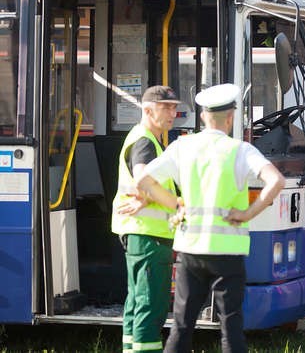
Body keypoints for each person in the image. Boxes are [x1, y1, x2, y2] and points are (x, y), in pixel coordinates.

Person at [134, 83, 285, 353]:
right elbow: (276, 181)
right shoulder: (240, 150)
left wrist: (173, 205)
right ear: (230, 118)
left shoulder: (182, 147)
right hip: (228, 253)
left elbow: (143, 178)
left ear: (203, 117)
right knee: (231, 325)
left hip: (190, 250)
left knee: (181, 324)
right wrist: (248, 213)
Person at [112, 85, 181, 353]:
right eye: (167, 107)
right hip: (147, 234)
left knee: (138, 301)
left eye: (175, 107)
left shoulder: (148, 139)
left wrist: (147, 196)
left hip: (142, 233)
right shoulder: (144, 140)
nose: (173, 114)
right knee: (150, 303)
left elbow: (143, 184)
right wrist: (176, 204)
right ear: (148, 109)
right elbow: (142, 177)